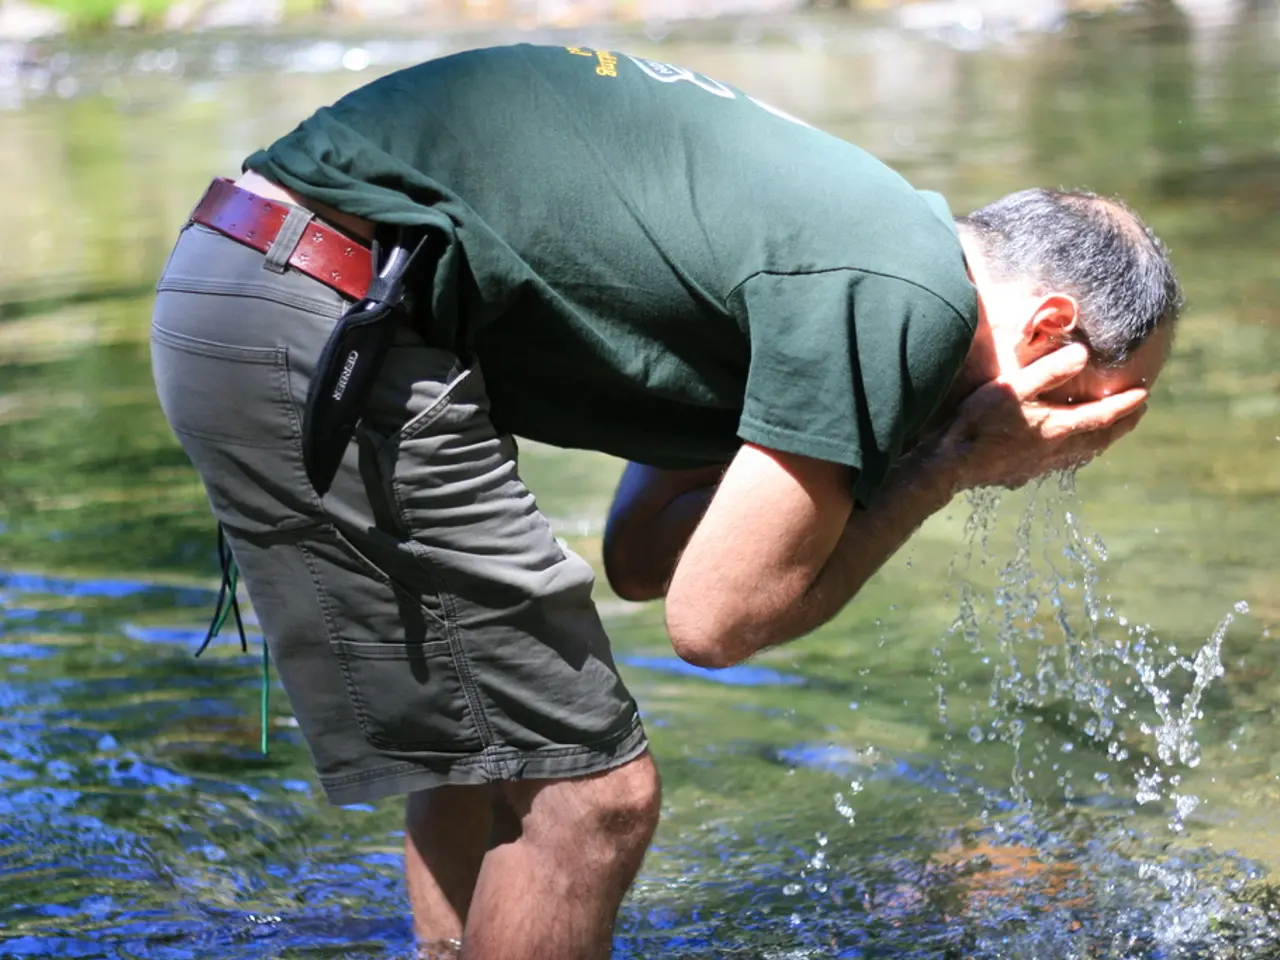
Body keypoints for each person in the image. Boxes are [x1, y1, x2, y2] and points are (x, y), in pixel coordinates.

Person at [149, 42, 1180, 960]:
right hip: (323, 310)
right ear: (1047, 330)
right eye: (1094, 408)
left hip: (258, 273)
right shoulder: (906, 301)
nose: (1071, 451)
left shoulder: (860, 259)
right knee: (591, 800)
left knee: (485, 749)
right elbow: (713, 624)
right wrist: (944, 469)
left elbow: (644, 557)